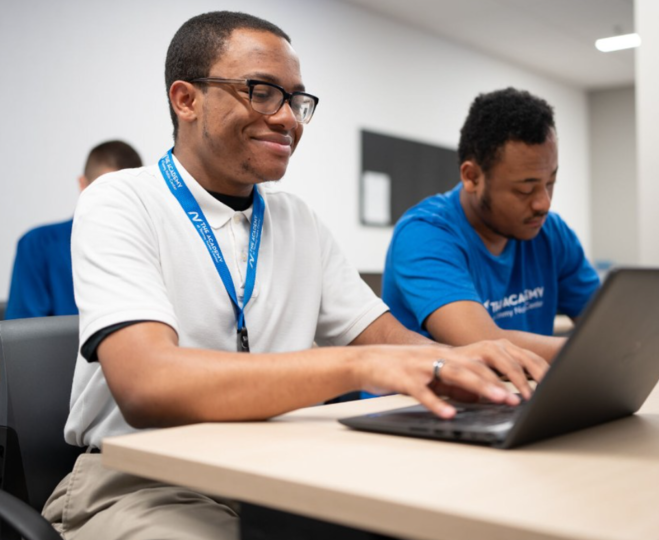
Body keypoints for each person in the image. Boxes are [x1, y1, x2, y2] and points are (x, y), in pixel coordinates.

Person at [42, 11, 548, 540]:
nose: (288, 118)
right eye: (261, 92)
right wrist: (362, 365)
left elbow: (390, 341)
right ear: (186, 99)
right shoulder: (121, 200)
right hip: (143, 481)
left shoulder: (295, 219)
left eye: (296, 99)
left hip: (280, 471)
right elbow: (149, 385)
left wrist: (464, 364)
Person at [382, 88, 600, 361]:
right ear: (472, 177)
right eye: (525, 190)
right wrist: (606, 351)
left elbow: (608, 326)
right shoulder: (424, 234)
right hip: (414, 401)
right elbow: (480, 344)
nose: (543, 204)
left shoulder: (551, 233)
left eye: (550, 183)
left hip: (517, 393)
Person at [5, 140, 142, 319]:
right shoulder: (38, 244)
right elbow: (25, 336)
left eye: (127, 193)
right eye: (105, 191)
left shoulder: (151, 245)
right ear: (83, 184)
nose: (116, 204)